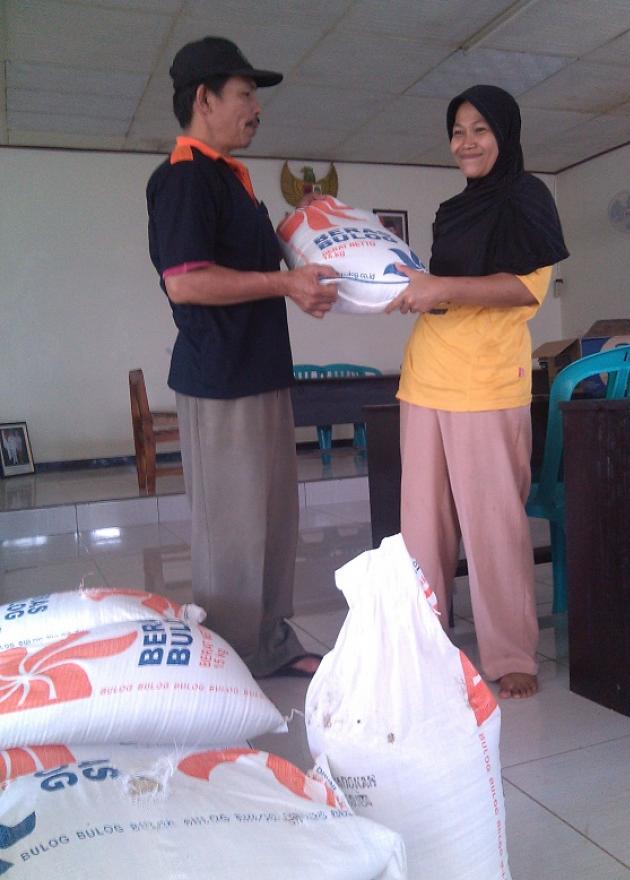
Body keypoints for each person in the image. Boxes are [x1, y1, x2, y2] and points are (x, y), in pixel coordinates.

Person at [146, 37, 338, 678]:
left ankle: (269, 641)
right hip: (220, 381)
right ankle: (228, 662)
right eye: (246, 94)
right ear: (204, 100)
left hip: (260, 372)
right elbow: (187, 282)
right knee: (232, 530)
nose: (257, 108)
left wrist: (304, 242)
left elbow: (253, 264)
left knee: (273, 520)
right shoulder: (183, 178)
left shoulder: (229, 179)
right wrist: (286, 283)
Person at [385, 84, 569, 699]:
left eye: (480, 129)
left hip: (487, 383)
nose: (466, 142)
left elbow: (523, 289)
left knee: (494, 527)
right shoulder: (451, 211)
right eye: (458, 131)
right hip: (424, 378)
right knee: (422, 527)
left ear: (505, 134)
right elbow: (446, 289)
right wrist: (412, 290)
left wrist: (441, 288)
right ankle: (426, 641)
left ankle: (511, 653)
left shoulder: (527, 197)